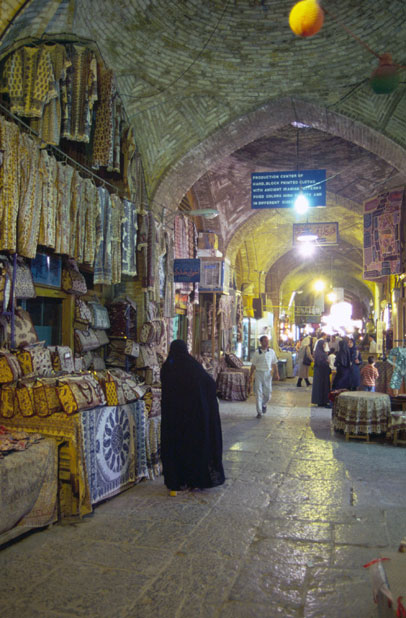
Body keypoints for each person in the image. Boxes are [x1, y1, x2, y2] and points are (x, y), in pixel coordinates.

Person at [160, 340, 225, 494]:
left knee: (175, 449)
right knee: (194, 447)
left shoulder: (167, 367)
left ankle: (177, 481)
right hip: (193, 418)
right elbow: (209, 383)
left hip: (173, 419)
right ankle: (195, 480)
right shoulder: (192, 366)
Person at [249, 335, 279, 418]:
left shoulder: (271, 352)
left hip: (268, 374)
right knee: (258, 393)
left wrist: (276, 373)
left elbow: (274, 363)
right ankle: (259, 412)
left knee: (268, 394)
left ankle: (263, 404)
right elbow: (253, 365)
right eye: (265, 341)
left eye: (267, 341)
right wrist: (250, 375)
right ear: (261, 342)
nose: (267, 342)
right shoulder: (257, 353)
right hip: (259, 373)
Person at [311, 335, 331, 407]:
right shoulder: (322, 354)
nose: (324, 346)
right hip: (323, 374)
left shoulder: (317, 353)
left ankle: (319, 400)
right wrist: (327, 362)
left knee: (318, 387)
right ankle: (323, 401)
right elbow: (323, 363)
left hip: (318, 374)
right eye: (323, 345)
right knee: (323, 387)